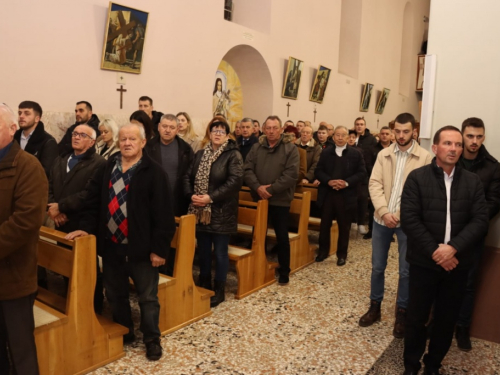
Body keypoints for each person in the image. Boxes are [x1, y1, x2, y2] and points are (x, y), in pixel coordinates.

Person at [67, 122, 175, 361]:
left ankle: (151, 339)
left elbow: (164, 216)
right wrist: (85, 229)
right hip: (112, 246)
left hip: (142, 249)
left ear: (143, 143)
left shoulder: (154, 172)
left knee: (147, 297)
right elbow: (93, 201)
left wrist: (159, 250)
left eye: (132, 139)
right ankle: (125, 331)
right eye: (123, 139)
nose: (127, 143)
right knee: (115, 294)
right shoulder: (108, 167)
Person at [401, 126, 489, 375]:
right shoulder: (417, 178)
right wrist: (435, 251)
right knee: (416, 319)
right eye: (448, 143)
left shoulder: (472, 181)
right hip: (424, 263)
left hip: (456, 264)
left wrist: (453, 249)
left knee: (445, 320)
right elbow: (409, 219)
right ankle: (411, 366)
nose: (454, 148)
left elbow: (480, 221)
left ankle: (433, 365)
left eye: (458, 144)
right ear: (435, 147)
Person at [358, 113, 432, 339]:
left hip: (408, 223)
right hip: (381, 220)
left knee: (406, 270)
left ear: (414, 132)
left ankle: (402, 312)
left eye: (406, 131)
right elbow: (375, 183)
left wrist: (399, 215)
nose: (401, 136)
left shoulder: (425, 158)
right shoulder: (384, 154)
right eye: (397, 131)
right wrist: (383, 212)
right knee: (377, 266)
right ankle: (375, 307)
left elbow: (423, 194)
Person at [0, 103, 48, 375]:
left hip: (15, 277)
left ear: (11, 128)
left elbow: (25, 222)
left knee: (22, 354)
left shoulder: (28, 166)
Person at [184, 117, 243, 307]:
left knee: (220, 252)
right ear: (209, 133)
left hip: (221, 211)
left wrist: (210, 197)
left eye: (221, 131)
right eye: (214, 130)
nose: (217, 134)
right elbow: (187, 175)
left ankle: (219, 289)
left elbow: (234, 182)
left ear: (227, 135)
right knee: (202, 250)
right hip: (199, 209)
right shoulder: (201, 153)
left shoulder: (233, 155)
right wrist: (191, 195)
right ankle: (204, 283)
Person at [48, 123, 106, 313]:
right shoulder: (61, 159)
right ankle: (72, 305)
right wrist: (53, 208)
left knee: (87, 269)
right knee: (67, 266)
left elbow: (89, 193)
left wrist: (61, 207)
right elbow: (48, 185)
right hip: (60, 221)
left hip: (83, 222)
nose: (76, 137)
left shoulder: (99, 163)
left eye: (82, 135)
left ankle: (93, 308)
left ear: (92, 142)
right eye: (75, 134)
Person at [454, 117, 500, 351]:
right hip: (446, 232)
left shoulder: (492, 166)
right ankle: (439, 323)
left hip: (473, 236)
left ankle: (462, 327)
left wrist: (470, 225)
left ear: (484, 137)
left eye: (479, 136)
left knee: (468, 283)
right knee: (441, 280)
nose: (474, 141)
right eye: (470, 136)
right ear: (462, 135)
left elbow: (493, 203)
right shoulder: (450, 158)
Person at [244, 116, 299, 285]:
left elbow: (291, 175)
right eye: (268, 128)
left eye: (275, 128)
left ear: (281, 129)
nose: (271, 131)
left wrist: (271, 189)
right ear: (263, 129)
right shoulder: (256, 147)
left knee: (281, 236)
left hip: (280, 200)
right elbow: (247, 169)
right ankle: (256, 266)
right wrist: (258, 187)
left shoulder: (290, 149)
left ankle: (284, 271)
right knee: (257, 234)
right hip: (259, 198)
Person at [314, 126, 366, 266]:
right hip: (328, 195)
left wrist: (346, 183)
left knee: (344, 227)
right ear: (333, 137)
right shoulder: (326, 152)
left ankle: (341, 255)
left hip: (346, 195)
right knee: (325, 225)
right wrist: (329, 181)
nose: (340, 137)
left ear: (348, 137)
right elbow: (318, 171)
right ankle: (323, 252)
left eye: (343, 135)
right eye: (338, 135)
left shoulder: (356, 154)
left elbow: (362, 173)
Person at [364, 125, 393, 239]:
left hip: (391, 183)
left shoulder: (395, 150)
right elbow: (368, 165)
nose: (384, 136)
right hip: (376, 181)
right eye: (382, 134)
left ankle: (389, 232)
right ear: (379, 135)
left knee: (389, 207)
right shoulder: (372, 149)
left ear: (391, 136)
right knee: (373, 206)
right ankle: (372, 230)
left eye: (387, 134)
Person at [14, 100, 57, 177]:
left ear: (37, 119)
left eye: (27, 113)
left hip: (32, 185)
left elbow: (45, 172)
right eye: (20, 113)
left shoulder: (48, 142)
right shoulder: (12, 137)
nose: (21, 116)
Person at [354, 117, 377, 235]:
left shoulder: (371, 139)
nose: (359, 126)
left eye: (361, 124)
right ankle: (352, 221)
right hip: (352, 172)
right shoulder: (351, 136)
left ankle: (361, 223)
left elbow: (373, 156)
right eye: (357, 124)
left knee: (362, 198)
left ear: (365, 126)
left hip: (365, 172)